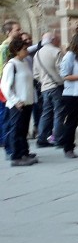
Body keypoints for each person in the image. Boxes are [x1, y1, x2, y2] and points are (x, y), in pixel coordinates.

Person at [1, 37, 38, 166]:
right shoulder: (11, 65)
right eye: (24, 49)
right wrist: (15, 100)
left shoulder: (24, 62)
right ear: (17, 51)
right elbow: (5, 86)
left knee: (23, 129)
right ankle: (16, 156)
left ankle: (24, 152)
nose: (26, 50)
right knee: (16, 130)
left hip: (27, 101)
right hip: (18, 103)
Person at [33, 31, 66, 149]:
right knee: (59, 113)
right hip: (56, 86)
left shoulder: (37, 54)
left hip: (44, 87)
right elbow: (62, 70)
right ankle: (58, 138)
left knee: (46, 113)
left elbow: (35, 74)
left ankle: (41, 139)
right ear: (52, 40)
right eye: (57, 38)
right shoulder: (56, 51)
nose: (58, 40)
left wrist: (44, 80)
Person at [0, 20, 22, 157]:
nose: (19, 32)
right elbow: (4, 69)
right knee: (8, 116)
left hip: (16, 85)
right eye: (17, 30)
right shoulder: (5, 48)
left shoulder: (14, 46)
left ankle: (17, 147)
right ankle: (9, 148)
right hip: (7, 86)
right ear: (9, 32)